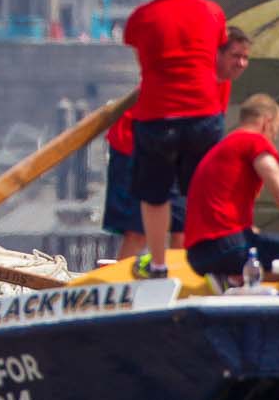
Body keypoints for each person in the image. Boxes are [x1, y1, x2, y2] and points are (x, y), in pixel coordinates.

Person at [122, 0, 230, 279]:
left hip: (158, 114)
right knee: (202, 192)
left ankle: (158, 264)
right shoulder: (213, 13)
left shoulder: (143, 17)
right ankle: (208, 263)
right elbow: (218, 43)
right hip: (203, 111)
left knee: (155, 195)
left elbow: (134, 42)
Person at [106, 28, 253, 258]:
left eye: (245, 58)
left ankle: (179, 283)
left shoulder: (222, 83)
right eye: (236, 56)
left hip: (177, 155)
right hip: (135, 147)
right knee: (138, 232)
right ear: (217, 54)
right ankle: (117, 288)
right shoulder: (189, 73)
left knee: (182, 228)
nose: (242, 64)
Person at [182, 94, 279, 283]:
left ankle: (234, 279)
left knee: (268, 247)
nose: (275, 137)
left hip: (198, 255)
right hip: (228, 246)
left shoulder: (223, 148)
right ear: (267, 123)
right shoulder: (254, 141)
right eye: (277, 129)